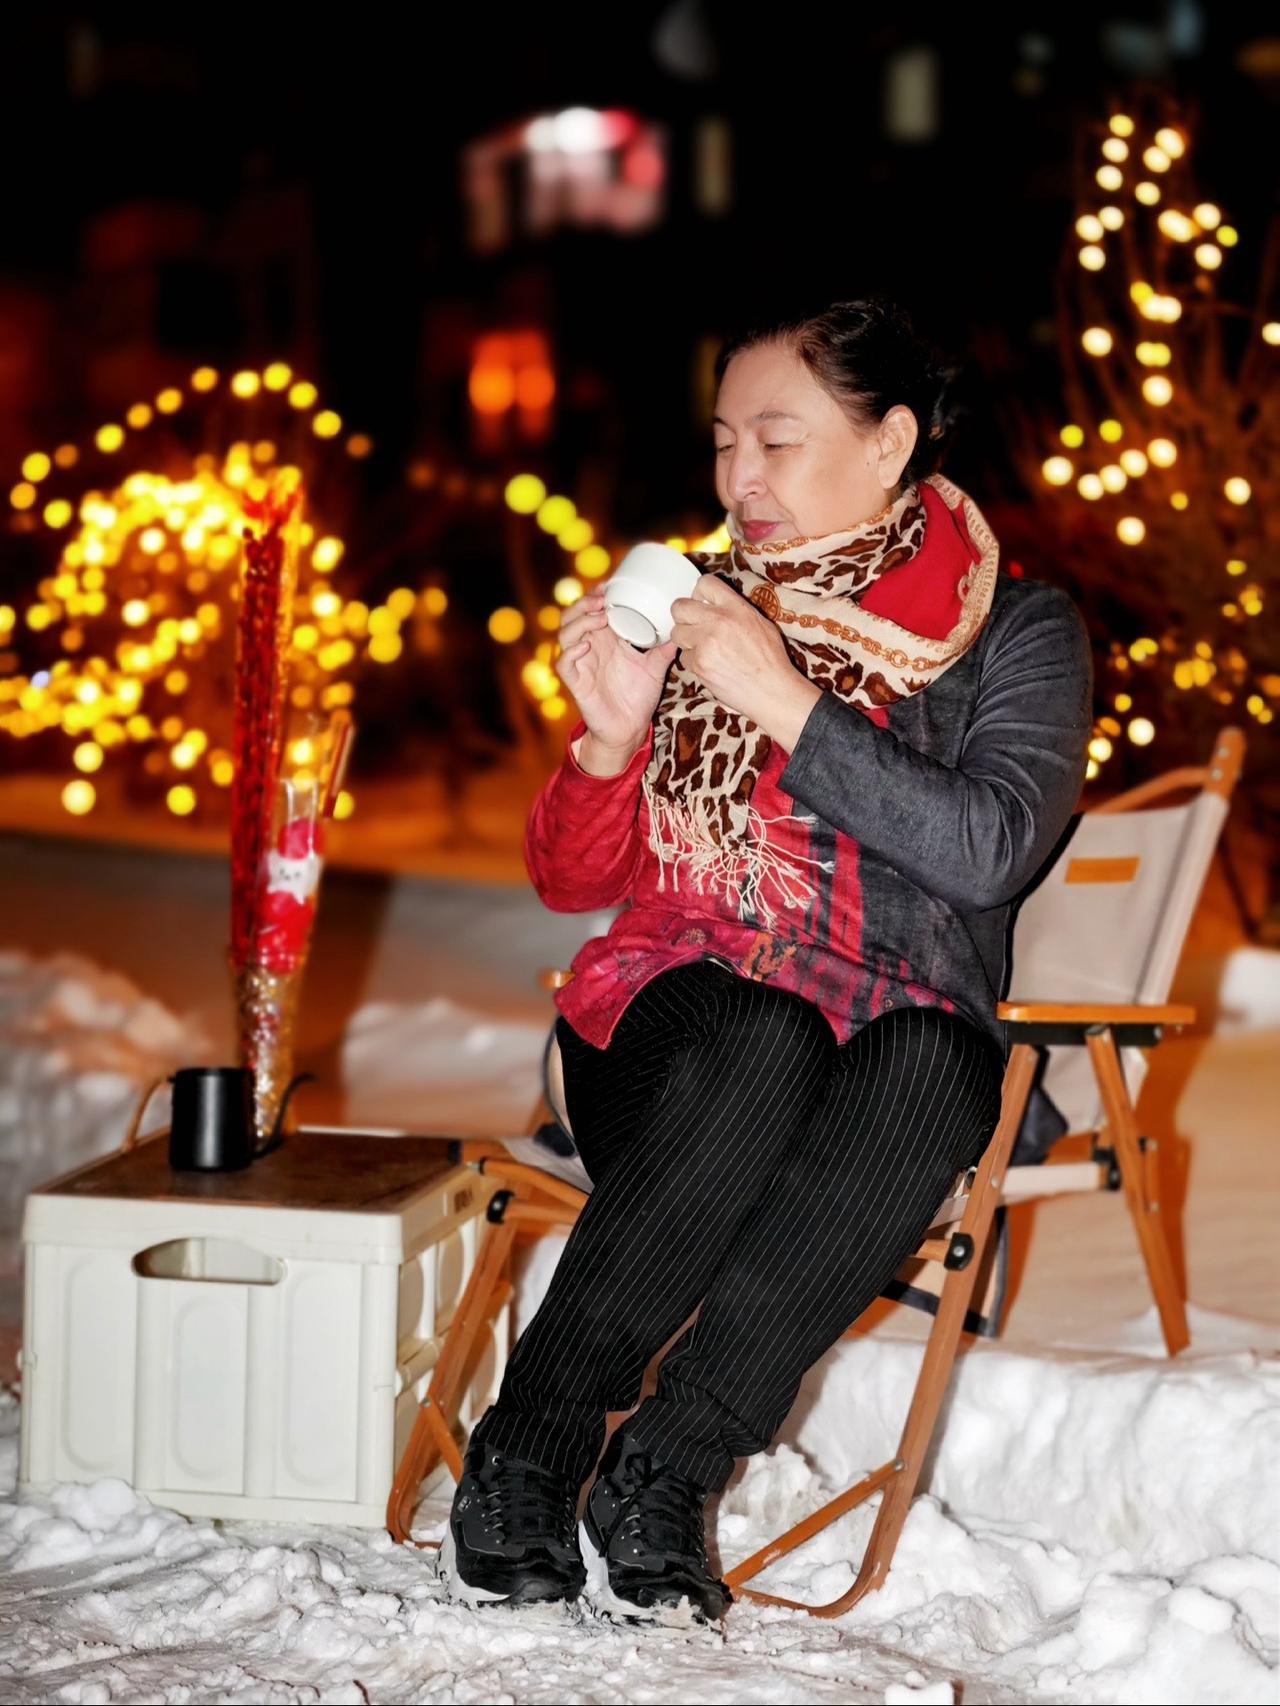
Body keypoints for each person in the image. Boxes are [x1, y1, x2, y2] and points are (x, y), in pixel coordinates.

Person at [441, 299, 1092, 1620]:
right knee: (761, 1034)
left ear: (892, 439)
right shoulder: (695, 608)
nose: (740, 478)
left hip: (878, 1066)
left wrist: (783, 702)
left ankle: (666, 1474)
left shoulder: (1017, 632)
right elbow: (572, 880)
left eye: (780, 439)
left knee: (933, 1065)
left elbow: (989, 849)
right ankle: (533, 1444)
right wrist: (612, 745)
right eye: (727, 439)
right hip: (664, 1044)